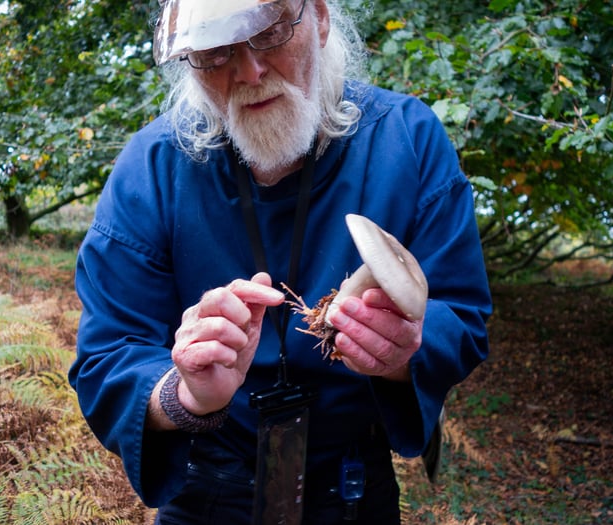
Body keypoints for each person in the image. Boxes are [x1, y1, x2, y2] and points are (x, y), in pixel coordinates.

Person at [68, 0, 492, 523]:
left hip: (353, 490)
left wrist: (404, 350)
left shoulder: (406, 138)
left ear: (317, 18)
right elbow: (107, 355)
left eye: (268, 34)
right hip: (208, 492)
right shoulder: (151, 167)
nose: (249, 71)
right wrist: (185, 392)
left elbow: (463, 316)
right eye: (215, 52)